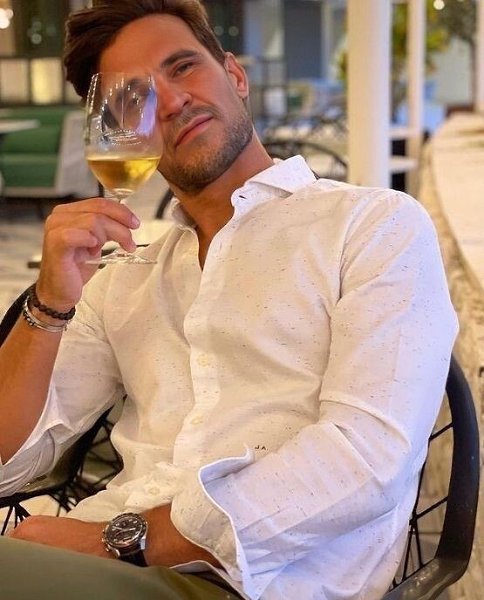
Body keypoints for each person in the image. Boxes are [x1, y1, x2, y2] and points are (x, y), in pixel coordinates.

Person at [0, 1, 458, 599]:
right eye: (134, 100)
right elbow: (9, 462)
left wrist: (122, 541)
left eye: (183, 67)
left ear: (235, 75)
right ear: (115, 132)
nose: (169, 101)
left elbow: (367, 459)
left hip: (258, 581)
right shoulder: (123, 278)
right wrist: (49, 305)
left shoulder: (372, 227)